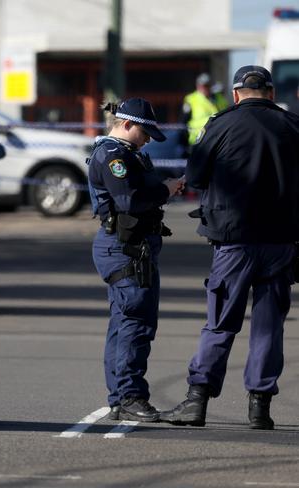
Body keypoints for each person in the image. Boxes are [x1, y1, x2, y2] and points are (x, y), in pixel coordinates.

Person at [160, 65, 299, 430]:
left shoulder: (220, 125)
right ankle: (260, 408)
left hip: (234, 241)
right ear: (270, 93)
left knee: (220, 323)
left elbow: (197, 175)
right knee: (269, 326)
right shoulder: (293, 126)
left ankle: (197, 402)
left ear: (236, 94)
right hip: (281, 241)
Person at [87, 98, 184, 422]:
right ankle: (129, 396)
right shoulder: (114, 155)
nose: (147, 140)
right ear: (126, 124)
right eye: (144, 132)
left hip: (129, 246)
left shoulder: (126, 154)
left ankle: (120, 397)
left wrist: (168, 184)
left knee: (125, 323)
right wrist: (166, 191)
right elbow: (128, 199)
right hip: (124, 247)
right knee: (135, 324)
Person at [182, 73, 222, 146]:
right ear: (198, 86)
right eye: (204, 86)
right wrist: (185, 143)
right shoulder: (191, 99)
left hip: (216, 139)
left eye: (208, 85)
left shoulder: (219, 98)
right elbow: (183, 122)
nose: (206, 88)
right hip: (197, 140)